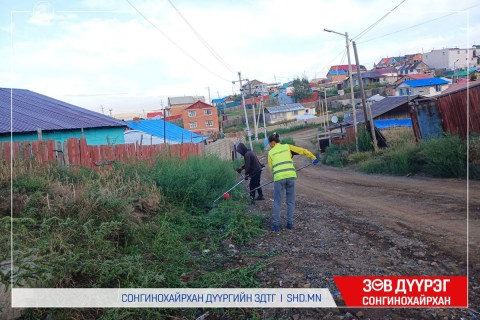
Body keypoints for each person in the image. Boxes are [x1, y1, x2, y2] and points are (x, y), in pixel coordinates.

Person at [267, 133, 319, 231]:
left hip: (279, 178)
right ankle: (289, 224)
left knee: (277, 202)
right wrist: (313, 157)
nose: (269, 146)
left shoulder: (271, 152)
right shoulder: (287, 147)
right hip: (291, 176)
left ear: (273, 142)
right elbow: (302, 150)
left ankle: (275, 226)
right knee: (290, 201)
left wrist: (279, 173)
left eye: (269, 143)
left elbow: (271, 167)